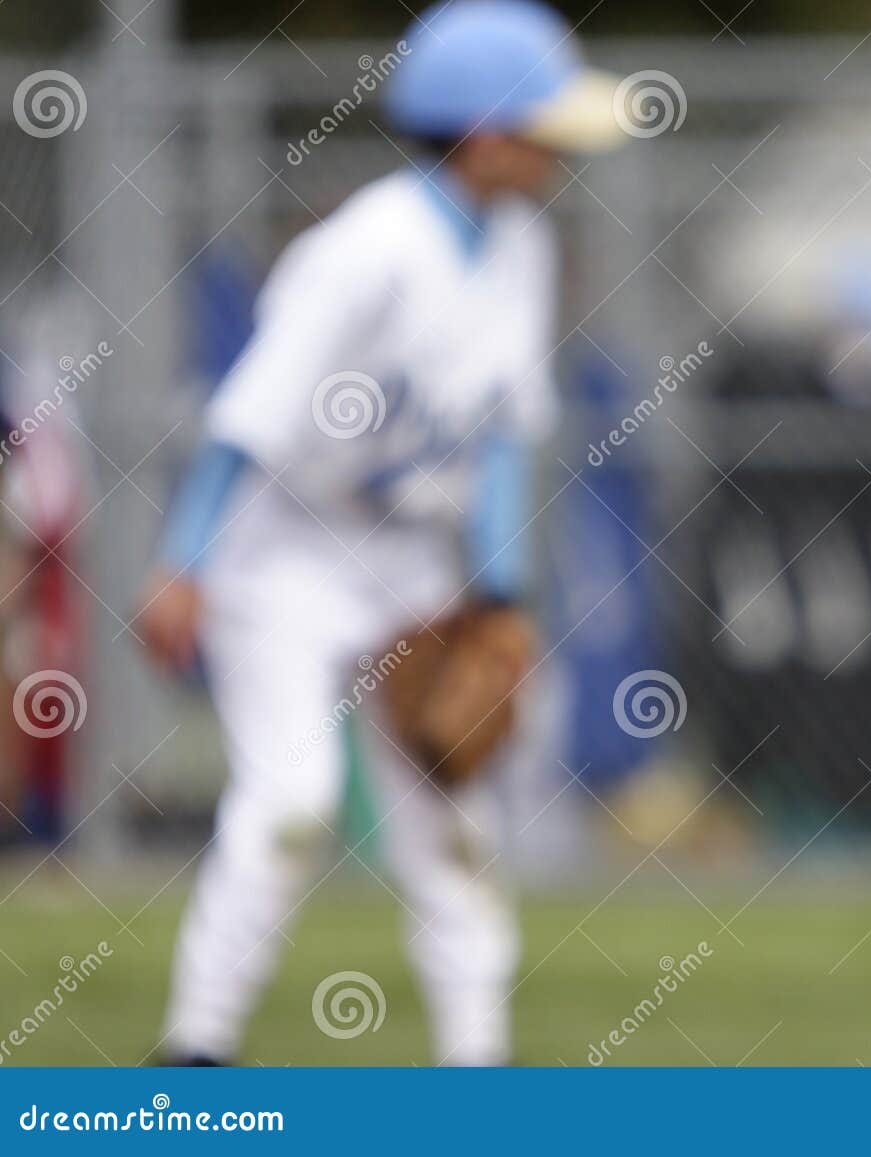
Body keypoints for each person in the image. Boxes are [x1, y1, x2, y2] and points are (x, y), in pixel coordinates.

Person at [134, 0, 624, 1065]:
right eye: (542, 130)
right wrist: (184, 560)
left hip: (411, 556)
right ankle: (195, 1051)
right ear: (485, 135)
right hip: (288, 547)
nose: (557, 155)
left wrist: (498, 593)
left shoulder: (522, 243)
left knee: (452, 819)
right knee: (292, 800)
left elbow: (502, 437)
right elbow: (250, 413)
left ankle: (475, 1065)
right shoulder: (364, 248)